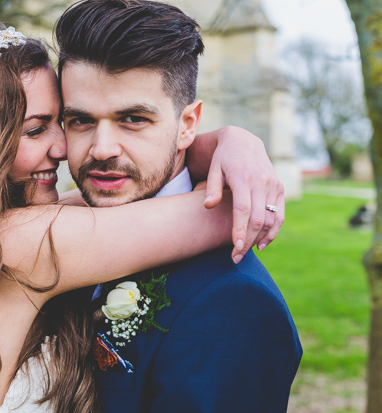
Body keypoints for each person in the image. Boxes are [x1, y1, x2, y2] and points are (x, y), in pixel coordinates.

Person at [0, 16, 284, 413]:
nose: (63, 147)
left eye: (61, 122)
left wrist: (208, 141)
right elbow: (232, 207)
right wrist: (238, 146)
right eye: (35, 129)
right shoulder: (18, 243)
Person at [54, 0, 303, 411]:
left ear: (188, 125)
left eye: (133, 118)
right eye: (80, 120)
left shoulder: (232, 304)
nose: (101, 149)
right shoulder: (56, 236)